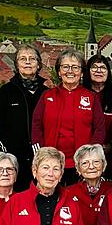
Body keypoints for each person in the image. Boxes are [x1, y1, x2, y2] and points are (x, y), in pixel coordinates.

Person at [32, 48, 105, 186]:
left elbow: (100, 129)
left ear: (82, 72)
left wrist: (89, 156)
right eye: (65, 67)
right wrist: (41, 154)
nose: (70, 71)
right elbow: (36, 125)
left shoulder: (91, 97)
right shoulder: (48, 96)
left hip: (81, 163)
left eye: (75, 67)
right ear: (59, 72)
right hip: (51, 163)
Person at [0, 44, 49, 192]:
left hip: (41, 158)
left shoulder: (47, 93)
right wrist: (6, 153)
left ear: (38, 65)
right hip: (14, 158)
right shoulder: (6, 92)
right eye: (23, 59)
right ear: (17, 65)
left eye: (32, 59)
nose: (28, 62)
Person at [83, 54, 112, 157]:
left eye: (103, 68)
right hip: (83, 152)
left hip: (110, 153)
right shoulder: (80, 96)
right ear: (88, 72)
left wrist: (110, 145)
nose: (99, 71)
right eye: (94, 67)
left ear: (108, 73)